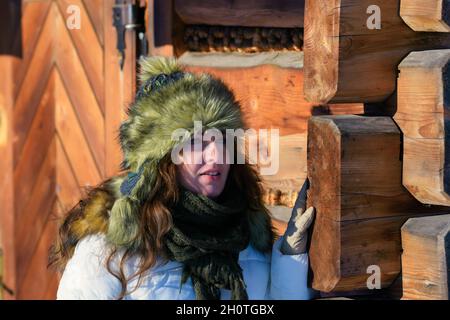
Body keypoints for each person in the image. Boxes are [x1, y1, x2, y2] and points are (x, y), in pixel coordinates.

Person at [49, 57, 316, 300]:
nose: (216, 155)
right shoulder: (108, 254)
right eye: (198, 142)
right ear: (162, 159)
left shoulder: (246, 240)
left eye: (223, 140)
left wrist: (290, 265)